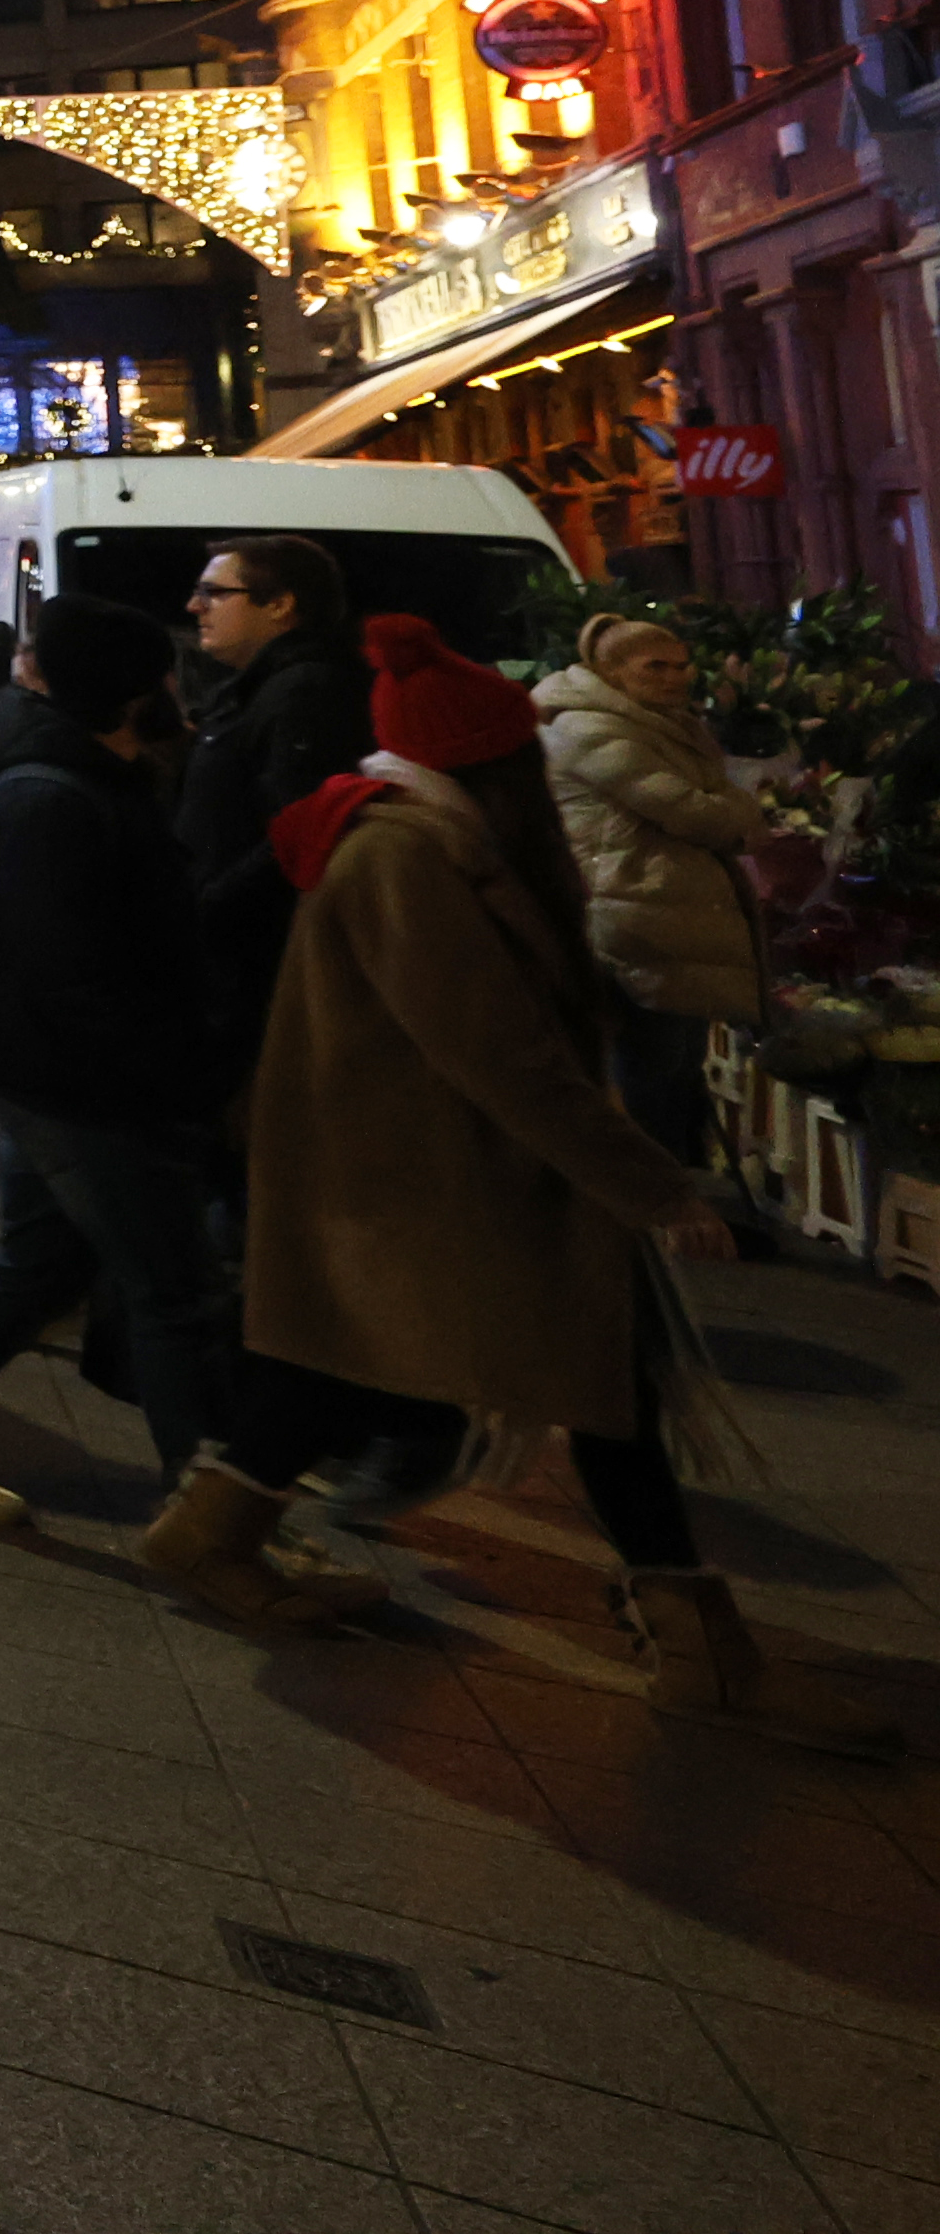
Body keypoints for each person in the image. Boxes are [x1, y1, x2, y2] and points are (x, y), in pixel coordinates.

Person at [178, 616, 887, 1748]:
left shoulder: (425, 837)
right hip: (437, 1170)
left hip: (425, 1165)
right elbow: (494, 1047)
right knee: (594, 1381)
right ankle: (698, 1644)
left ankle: (212, 1532)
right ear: (486, 761)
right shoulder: (409, 851)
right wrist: (654, 1186)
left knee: (376, 1365)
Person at [0, 591, 268, 1542]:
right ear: (133, 692)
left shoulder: (83, 780)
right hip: (84, 1084)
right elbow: (68, 971)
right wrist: (165, 1076)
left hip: (56, 1071)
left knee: (47, 1258)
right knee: (174, 1288)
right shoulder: (56, 799)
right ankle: (216, 1523)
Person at [543, 610, 775, 1178]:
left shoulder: (663, 722)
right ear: (611, 671)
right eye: (657, 666)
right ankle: (658, 1212)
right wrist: (742, 815)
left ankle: (682, 1201)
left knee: (675, 1072)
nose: (677, 677)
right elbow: (694, 811)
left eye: (682, 664)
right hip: (635, 920)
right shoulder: (588, 726)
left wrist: (734, 810)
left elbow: (721, 800)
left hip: (666, 918)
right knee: (653, 1075)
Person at [176, 531, 368, 1052]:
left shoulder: (304, 691)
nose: (195, 606)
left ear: (281, 605)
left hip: (260, 961)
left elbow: (301, 831)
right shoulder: (260, 687)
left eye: (215, 593)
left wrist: (203, 910)